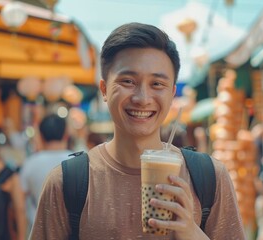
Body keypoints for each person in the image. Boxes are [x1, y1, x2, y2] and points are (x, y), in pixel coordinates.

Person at [30, 22, 245, 239]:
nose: (142, 98)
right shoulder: (67, 183)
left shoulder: (209, 178)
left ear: (172, 94)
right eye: (128, 81)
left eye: (157, 84)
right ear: (104, 89)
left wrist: (191, 231)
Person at [20, 114, 72, 228]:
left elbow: (20, 204)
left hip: (39, 230)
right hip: (73, 231)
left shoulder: (30, 164)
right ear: (65, 135)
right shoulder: (80, 160)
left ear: (41, 136)